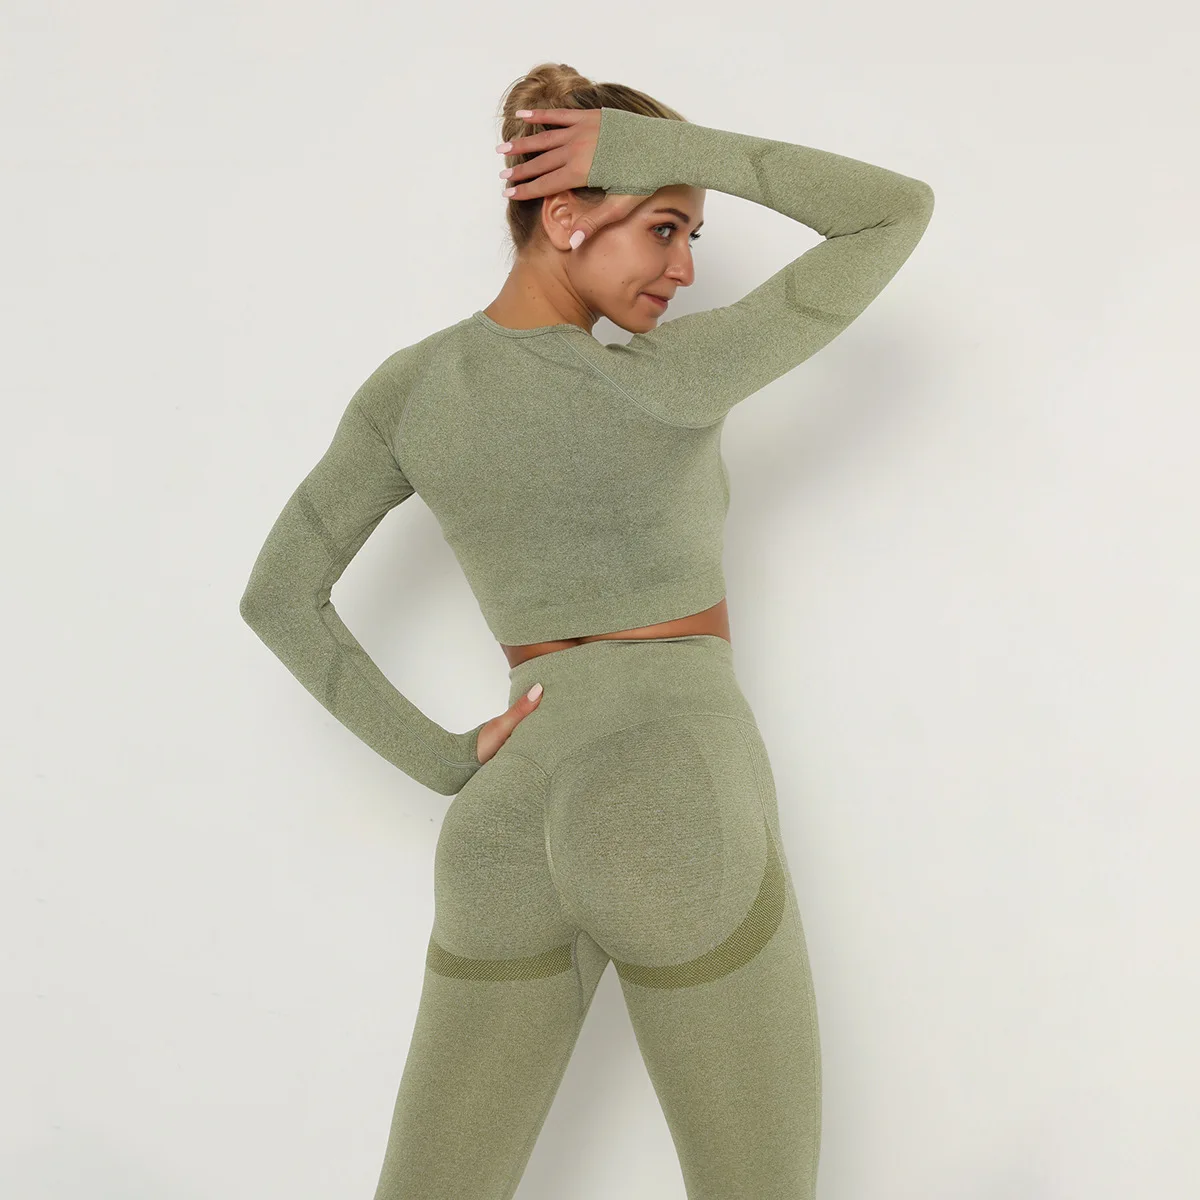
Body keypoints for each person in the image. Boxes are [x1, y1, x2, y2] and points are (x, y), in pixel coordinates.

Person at [238, 60, 933, 1200]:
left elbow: (278, 594)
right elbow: (893, 211)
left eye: (692, 234)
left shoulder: (410, 390)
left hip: (504, 823)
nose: (685, 267)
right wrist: (669, 149)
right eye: (663, 225)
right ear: (565, 214)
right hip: (669, 787)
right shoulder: (670, 380)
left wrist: (445, 761)